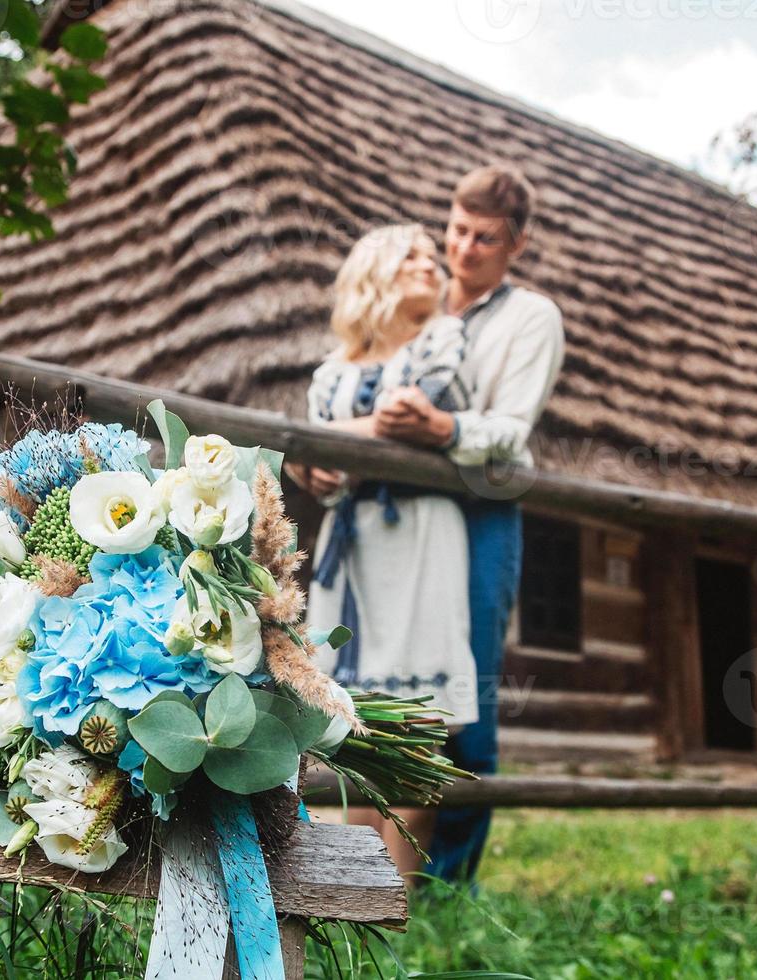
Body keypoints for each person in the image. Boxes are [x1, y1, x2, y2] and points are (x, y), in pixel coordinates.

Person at [371, 165, 566, 883]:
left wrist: (444, 426)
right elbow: (356, 367)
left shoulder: (531, 318)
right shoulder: (416, 300)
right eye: (456, 228)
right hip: (403, 514)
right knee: (389, 686)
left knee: (470, 698)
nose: (464, 247)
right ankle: (375, 869)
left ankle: (450, 883)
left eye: (484, 237)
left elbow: (511, 430)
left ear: (515, 244)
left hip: (480, 516)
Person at [287, 223, 477, 882]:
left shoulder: (443, 342)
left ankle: (396, 907)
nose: (430, 265)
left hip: (419, 533)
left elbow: (407, 419)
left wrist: (329, 443)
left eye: (433, 257)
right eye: (411, 257)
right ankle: (346, 900)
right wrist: (315, 463)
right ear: (375, 273)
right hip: (354, 542)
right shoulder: (332, 371)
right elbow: (314, 447)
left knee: (418, 726)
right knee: (348, 720)